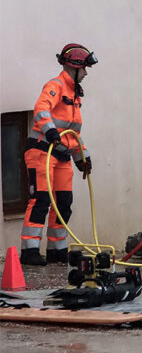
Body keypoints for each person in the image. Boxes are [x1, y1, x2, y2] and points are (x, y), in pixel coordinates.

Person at [19, 43, 97, 266]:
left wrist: (83, 157)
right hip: (42, 151)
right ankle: (30, 250)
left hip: (61, 155)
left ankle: (56, 249)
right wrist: (50, 131)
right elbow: (41, 110)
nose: (86, 73)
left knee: (64, 202)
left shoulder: (75, 95)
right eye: (85, 69)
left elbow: (72, 133)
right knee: (41, 199)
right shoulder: (56, 86)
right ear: (74, 67)